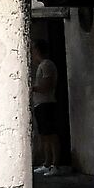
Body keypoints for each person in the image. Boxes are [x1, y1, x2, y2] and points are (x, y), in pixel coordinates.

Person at [31, 39, 62, 169]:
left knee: (51, 134)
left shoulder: (46, 65)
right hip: (40, 104)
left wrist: (32, 88)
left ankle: (55, 163)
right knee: (44, 135)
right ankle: (47, 162)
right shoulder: (41, 66)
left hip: (46, 103)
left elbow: (46, 86)